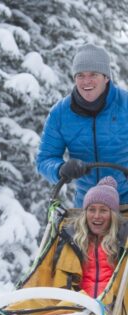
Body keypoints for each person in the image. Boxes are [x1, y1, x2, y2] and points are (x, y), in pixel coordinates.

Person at [36, 43, 128, 207]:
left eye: (93, 74)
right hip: (87, 206)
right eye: (80, 75)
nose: (86, 81)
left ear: (106, 77)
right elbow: (45, 159)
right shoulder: (60, 113)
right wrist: (61, 169)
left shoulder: (125, 104)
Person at [56, 176, 128, 298]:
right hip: (78, 306)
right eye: (92, 209)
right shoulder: (75, 240)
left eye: (103, 210)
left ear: (113, 215)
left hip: (113, 308)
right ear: (85, 213)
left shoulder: (121, 241)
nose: (96, 216)